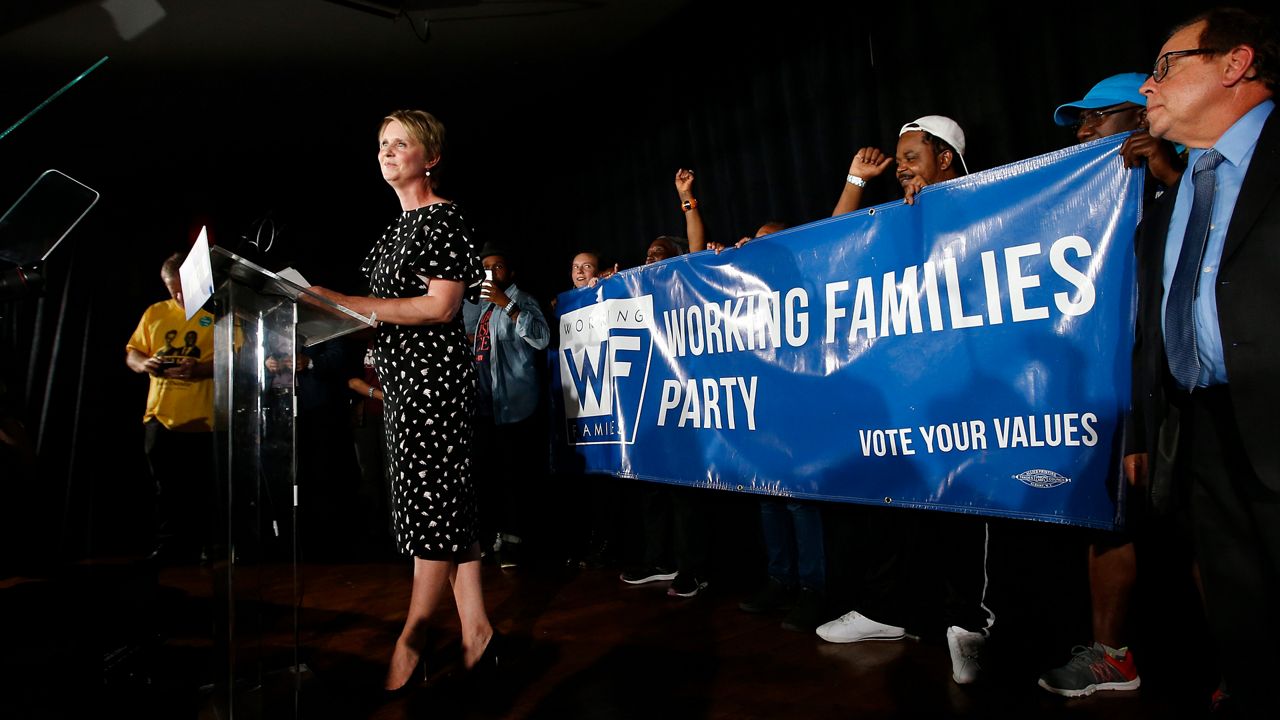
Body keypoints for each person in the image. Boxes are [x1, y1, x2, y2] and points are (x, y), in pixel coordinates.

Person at [308, 109, 497, 694]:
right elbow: (383, 313)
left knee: (430, 514)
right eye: (383, 144)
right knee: (443, 510)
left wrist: (347, 300)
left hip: (435, 384)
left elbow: (439, 308)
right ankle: (477, 633)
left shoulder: (446, 220)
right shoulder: (393, 231)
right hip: (402, 386)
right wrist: (323, 316)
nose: (388, 152)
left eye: (401, 144)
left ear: (430, 157)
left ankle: (412, 639)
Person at [1128, 9, 1279, 718]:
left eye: (1165, 66)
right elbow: (1153, 330)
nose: (1148, 86)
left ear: (1233, 62)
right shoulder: (1169, 198)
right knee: (1243, 626)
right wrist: (1145, 432)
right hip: (1201, 440)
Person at [817, 116, 994, 686]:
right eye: (898, 158)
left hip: (964, 394)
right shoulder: (895, 218)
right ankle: (885, 612)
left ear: (945, 158)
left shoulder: (988, 204)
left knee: (960, 510)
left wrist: (942, 211)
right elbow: (831, 247)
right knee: (891, 506)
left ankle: (968, 624)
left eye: (912, 156)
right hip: (903, 388)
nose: (902, 167)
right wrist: (858, 181)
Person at [1038, 72, 1185, 699]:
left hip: (1181, 382)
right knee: (1110, 516)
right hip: (1110, 385)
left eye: (1099, 117)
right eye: (1081, 121)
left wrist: (1167, 176)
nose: (1086, 130)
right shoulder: (1081, 199)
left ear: (1141, 119)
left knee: (1210, 528)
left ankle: (1242, 673)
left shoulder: (1187, 180)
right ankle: (1111, 655)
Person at [125, 251, 216, 565]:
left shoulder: (216, 313)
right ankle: (168, 546)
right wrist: (144, 363)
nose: (178, 296)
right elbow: (133, 352)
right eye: (171, 290)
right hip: (160, 416)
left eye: (183, 289)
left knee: (203, 487)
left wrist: (201, 369)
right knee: (165, 488)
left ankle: (208, 545)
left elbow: (237, 357)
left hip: (205, 417)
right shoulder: (155, 313)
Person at [463, 242, 550, 567]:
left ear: (509, 272)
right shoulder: (480, 307)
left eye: (497, 266)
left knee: (516, 478)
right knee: (486, 476)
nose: (490, 272)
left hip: (516, 405)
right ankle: (491, 536)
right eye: (485, 266)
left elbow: (541, 338)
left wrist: (509, 305)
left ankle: (515, 541)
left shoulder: (522, 299)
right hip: (485, 407)